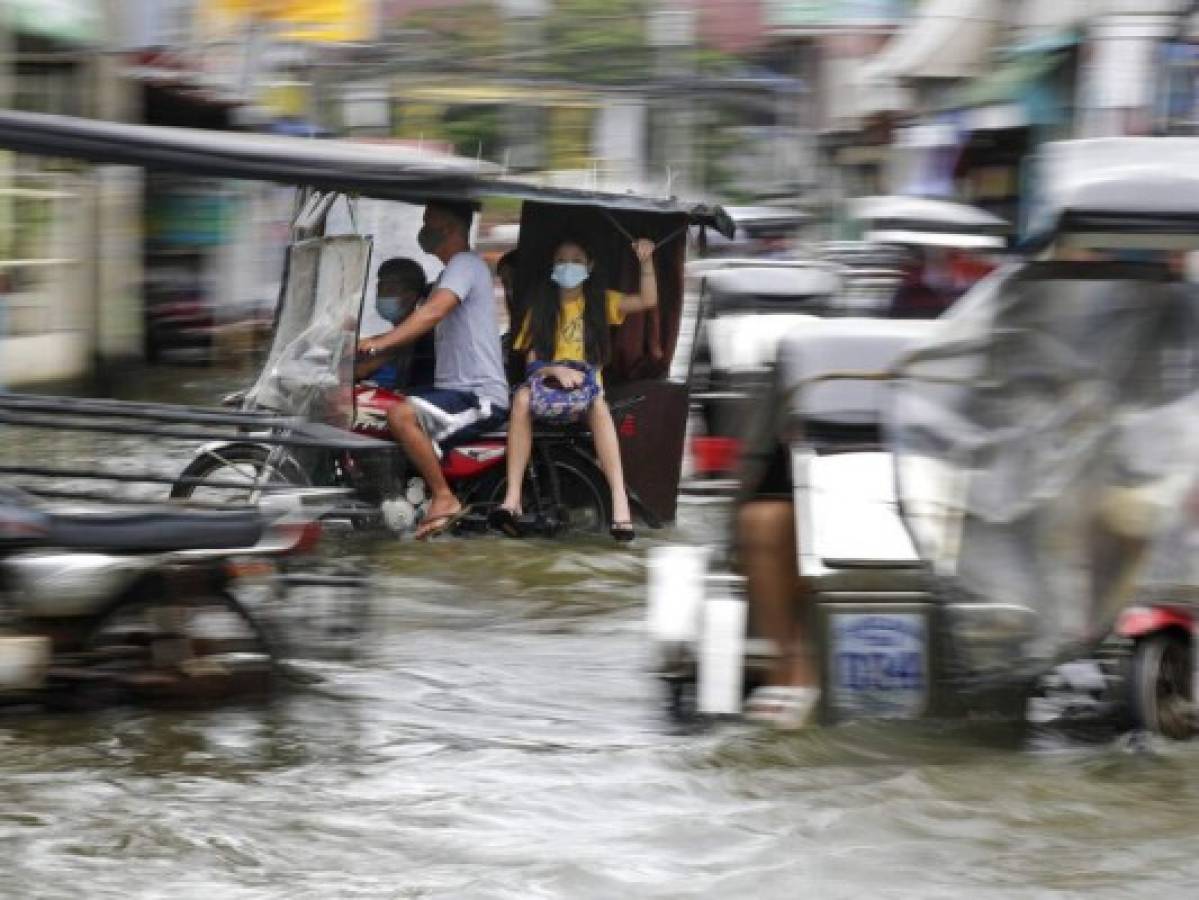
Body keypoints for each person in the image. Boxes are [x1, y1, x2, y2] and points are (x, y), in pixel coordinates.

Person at [489, 235, 656, 542]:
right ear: (553, 267)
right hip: (546, 385)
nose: (569, 267)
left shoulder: (602, 302)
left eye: (576, 261)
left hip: (587, 390)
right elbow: (531, 361)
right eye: (562, 261)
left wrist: (646, 262)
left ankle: (620, 502)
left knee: (599, 406)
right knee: (521, 400)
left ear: (589, 266)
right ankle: (512, 498)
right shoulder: (539, 306)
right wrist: (555, 369)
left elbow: (647, 301)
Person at [357, 201, 509, 540]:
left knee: (399, 415)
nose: (423, 229)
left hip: (478, 395)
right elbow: (408, 336)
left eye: (429, 222)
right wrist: (357, 358)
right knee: (379, 407)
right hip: (452, 394)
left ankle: (444, 498)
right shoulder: (447, 275)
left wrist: (377, 344)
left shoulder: (466, 265)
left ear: (451, 228)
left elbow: (432, 313)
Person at [355, 257, 428, 388]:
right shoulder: (388, 338)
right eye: (379, 289)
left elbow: (362, 370)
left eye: (389, 290)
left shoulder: (417, 339)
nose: (381, 295)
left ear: (410, 296)